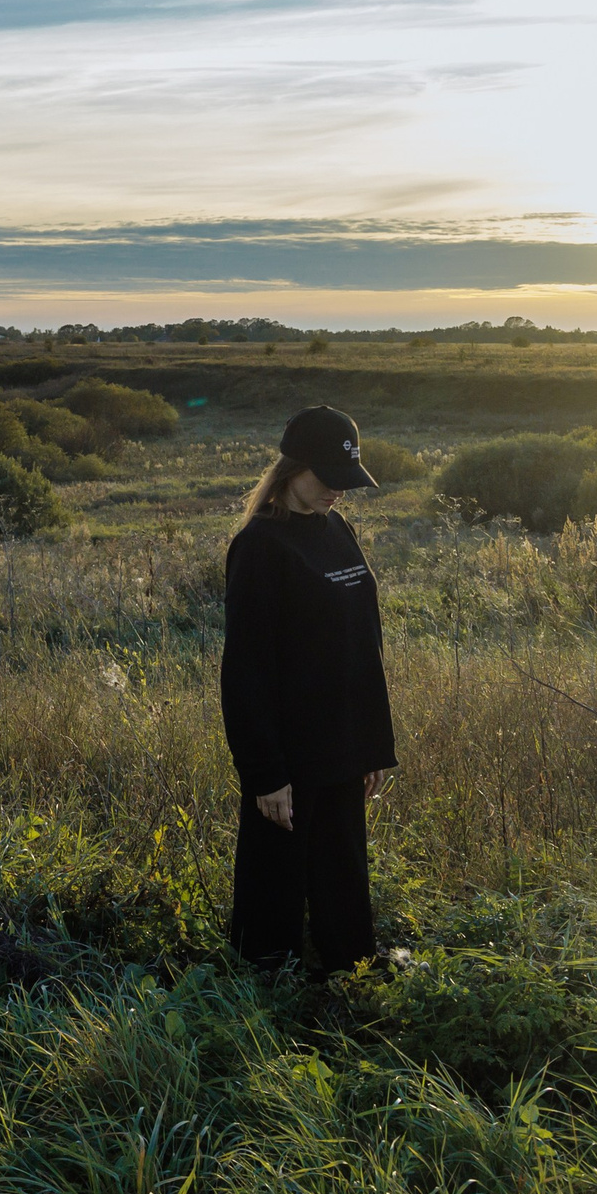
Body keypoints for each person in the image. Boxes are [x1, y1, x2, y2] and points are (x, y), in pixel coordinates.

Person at [219, 404, 396, 975]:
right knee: (275, 878)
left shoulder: (337, 530)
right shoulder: (260, 547)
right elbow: (245, 669)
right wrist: (265, 772)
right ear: (293, 469)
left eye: (348, 481)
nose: (338, 494)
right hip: (289, 753)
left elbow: (362, 643)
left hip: (344, 744)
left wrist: (370, 746)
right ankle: (263, 987)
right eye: (328, 479)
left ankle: (351, 975)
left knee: (344, 872)